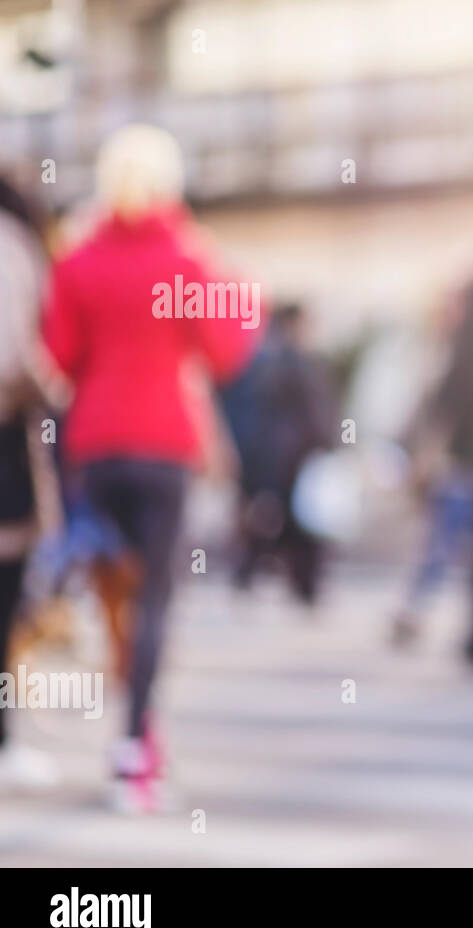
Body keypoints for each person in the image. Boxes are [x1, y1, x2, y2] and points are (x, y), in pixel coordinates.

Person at [41, 125, 259, 810]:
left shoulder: (76, 260)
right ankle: (135, 746)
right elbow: (228, 351)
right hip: (164, 443)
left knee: (113, 593)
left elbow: (60, 354)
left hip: (97, 445)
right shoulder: (188, 256)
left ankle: (129, 723)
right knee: (157, 597)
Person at [0, 174, 60, 791]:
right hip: (5, 446)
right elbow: (14, 355)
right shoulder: (11, 246)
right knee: (5, 599)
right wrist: (53, 389)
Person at [223, 303, 336, 603]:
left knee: (275, 518)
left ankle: (251, 574)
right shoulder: (297, 361)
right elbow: (316, 411)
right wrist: (329, 444)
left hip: (271, 454)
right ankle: (303, 586)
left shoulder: (260, 359)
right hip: (295, 453)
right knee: (299, 521)